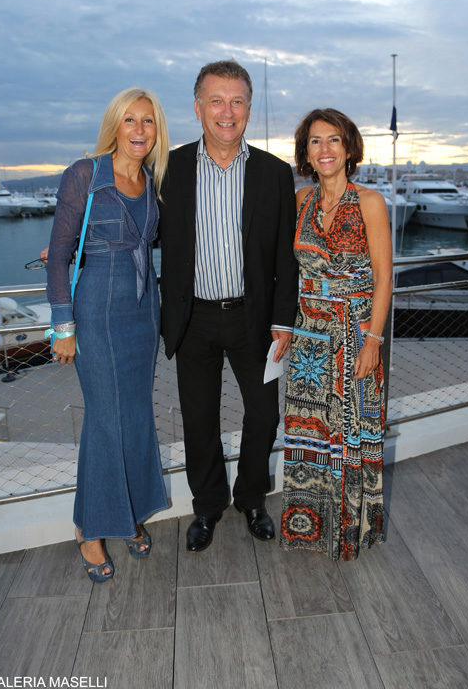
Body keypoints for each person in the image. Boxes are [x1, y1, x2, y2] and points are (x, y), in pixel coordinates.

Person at [159, 60, 298, 552]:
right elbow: (136, 230)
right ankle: (208, 505)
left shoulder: (274, 173)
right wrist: (74, 245)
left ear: (249, 109)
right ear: (198, 108)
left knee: (264, 415)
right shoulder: (169, 169)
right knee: (199, 420)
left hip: (254, 319)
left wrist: (283, 320)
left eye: (237, 101)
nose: (227, 111)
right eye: (216, 100)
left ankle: (252, 498)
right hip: (192, 317)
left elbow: (285, 256)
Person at [46, 88, 170, 581]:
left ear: (157, 131)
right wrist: (63, 325)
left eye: (148, 121)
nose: (139, 130)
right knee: (104, 419)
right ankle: (90, 527)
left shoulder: (152, 180)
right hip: (96, 311)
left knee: (136, 415)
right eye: (130, 120)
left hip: (144, 311)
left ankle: (127, 513)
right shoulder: (85, 174)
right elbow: (59, 255)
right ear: (115, 125)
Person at [280, 108, 392, 560]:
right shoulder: (301, 200)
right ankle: (310, 527)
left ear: (348, 148)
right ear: (305, 153)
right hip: (309, 333)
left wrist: (374, 341)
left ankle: (348, 532)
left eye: (333, 140)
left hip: (354, 329)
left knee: (351, 432)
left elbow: (384, 278)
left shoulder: (369, 201)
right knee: (309, 428)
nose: (324, 149)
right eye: (315, 141)